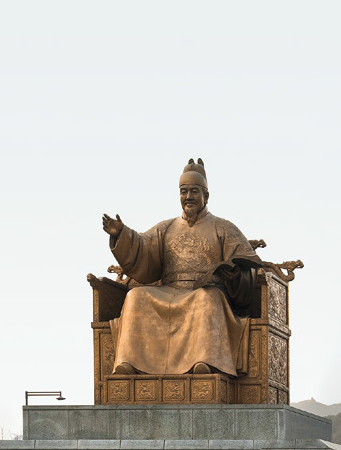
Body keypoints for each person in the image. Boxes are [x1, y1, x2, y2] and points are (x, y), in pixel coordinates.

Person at [101, 158, 266, 377]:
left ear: (206, 196)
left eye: (194, 192)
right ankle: (129, 363)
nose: (188, 197)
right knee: (136, 297)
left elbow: (248, 263)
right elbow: (143, 247)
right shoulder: (166, 228)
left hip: (207, 290)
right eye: (183, 192)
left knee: (207, 299)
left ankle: (204, 362)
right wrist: (122, 234)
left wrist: (234, 275)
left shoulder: (224, 228)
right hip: (169, 289)